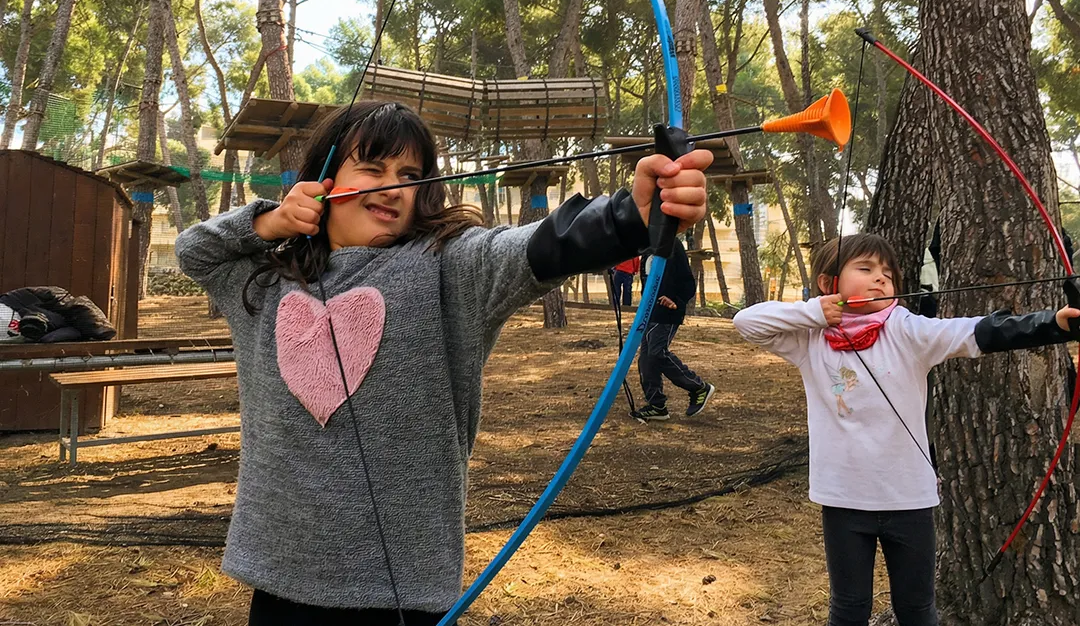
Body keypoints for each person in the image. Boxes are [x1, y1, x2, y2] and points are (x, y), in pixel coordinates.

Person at [175, 101, 712, 625]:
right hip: (281, 571)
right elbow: (194, 249)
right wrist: (269, 222)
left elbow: (534, 248)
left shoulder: (447, 265)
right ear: (323, 180)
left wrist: (630, 216)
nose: (393, 186)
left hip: (403, 587)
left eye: (410, 174)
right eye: (372, 167)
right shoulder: (264, 282)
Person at [733, 233, 1080, 626]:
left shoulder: (907, 330)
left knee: (917, 609)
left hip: (908, 499)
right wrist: (816, 311)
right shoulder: (809, 338)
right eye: (865, 269)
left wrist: (1052, 323)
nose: (881, 279)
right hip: (844, 498)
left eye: (888, 274)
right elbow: (746, 322)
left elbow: (975, 332)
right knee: (848, 609)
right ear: (830, 284)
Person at [630, 239, 715, 422]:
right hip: (650, 312)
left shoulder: (672, 245)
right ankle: (657, 406)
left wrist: (675, 299)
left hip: (669, 311)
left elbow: (687, 283)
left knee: (656, 353)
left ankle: (699, 387)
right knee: (646, 359)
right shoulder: (647, 249)